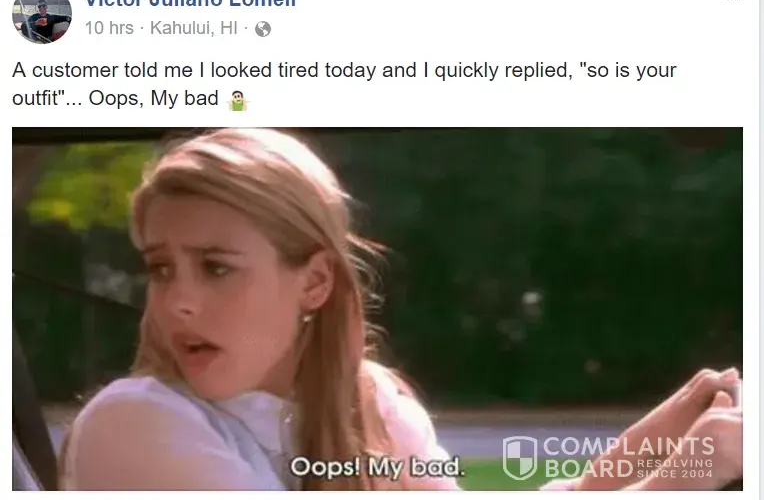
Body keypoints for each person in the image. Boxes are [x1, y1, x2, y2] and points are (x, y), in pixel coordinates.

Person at [59, 129, 743, 491]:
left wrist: (624, 469)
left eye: (216, 267)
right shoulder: (134, 424)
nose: (178, 300)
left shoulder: (372, 401)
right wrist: (672, 484)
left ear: (315, 282)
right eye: (160, 268)